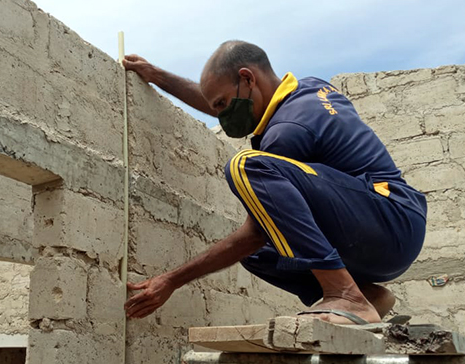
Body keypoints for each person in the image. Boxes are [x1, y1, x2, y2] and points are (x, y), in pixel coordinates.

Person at [122, 41, 427, 325]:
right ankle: (366, 294)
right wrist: (158, 76)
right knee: (260, 257)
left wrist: (171, 280)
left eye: (223, 105)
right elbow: (226, 101)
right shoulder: (309, 90)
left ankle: (345, 295)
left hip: (388, 220)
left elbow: (254, 233)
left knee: (245, 166)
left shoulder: (287, 132)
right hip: (387, 230)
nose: (223, 118)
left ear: (248, 78)